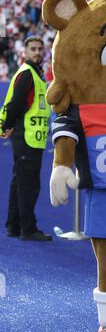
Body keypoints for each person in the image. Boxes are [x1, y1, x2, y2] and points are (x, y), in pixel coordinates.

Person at [0, 36, 52, 241]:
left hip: (31, 137)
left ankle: (13, 225)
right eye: (33, 49)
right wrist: (7, 126)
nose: (37, 52)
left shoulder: (34, 74)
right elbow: (15, 104)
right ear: (25, 52)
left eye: (40, 49)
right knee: (28, 185)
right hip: (27, 137)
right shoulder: (28, 74)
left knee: (19, 182)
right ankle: (28, 229)